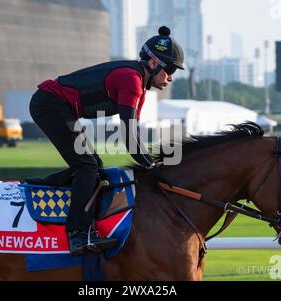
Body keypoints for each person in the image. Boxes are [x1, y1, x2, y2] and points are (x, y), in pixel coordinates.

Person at [29, 26, 184, 257]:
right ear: (153, 64)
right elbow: (129, 138)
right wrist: (151, 166)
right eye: (169, 69)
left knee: (94, 166)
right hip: (49, 104)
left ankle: (41, 186)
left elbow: (133, 135)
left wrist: (150, 162)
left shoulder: (139, 85)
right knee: (87, 166)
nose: (170, 77)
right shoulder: (131, 80)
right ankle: (78, 235)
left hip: (57, 106)